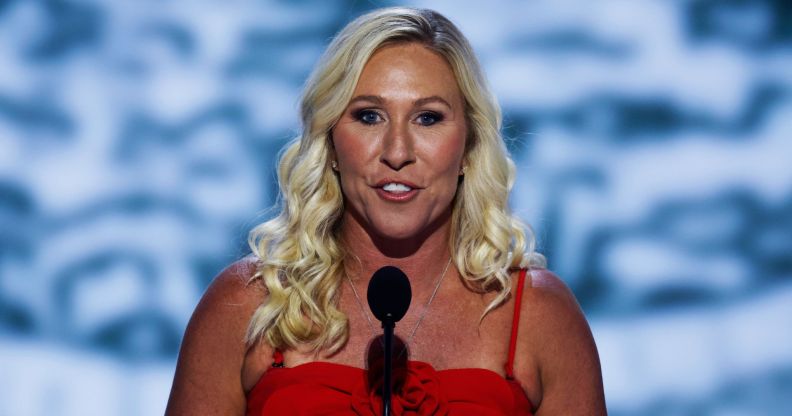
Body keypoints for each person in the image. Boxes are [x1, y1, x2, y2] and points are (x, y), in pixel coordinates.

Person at [166, 7, 605, 415]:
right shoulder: (247, 304)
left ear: (469, 147)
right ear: (331, 142)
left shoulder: (539, 314)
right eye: (370, 116)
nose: (397, 152)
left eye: (428, 118)